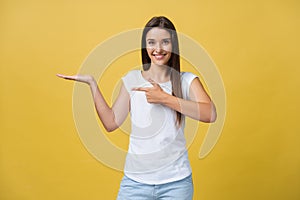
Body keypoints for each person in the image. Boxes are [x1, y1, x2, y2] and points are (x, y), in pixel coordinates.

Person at [57, 16, 216, 200]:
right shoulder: (132, 80)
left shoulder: (186, 80)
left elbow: (210, 113)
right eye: (151, 42)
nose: (158, 49)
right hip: (135, 183)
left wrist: (164, 98)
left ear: (173, 45)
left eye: (165, 42)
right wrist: (92, 84)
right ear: (145, 46)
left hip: (176, 184)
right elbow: (111, 122)